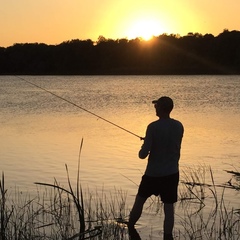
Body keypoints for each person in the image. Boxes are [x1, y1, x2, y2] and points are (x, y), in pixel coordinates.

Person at [128, 96, 184, 240]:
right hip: (171, 173)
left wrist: (146, 143)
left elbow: (142, 155)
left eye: (156, 106)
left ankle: (130, 228)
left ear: (161, 108)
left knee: (139, 201)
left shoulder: (153, 127)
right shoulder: (179, 126)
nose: (155, 108)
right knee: (169, 208)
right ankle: (168, 236)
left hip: (153, 174)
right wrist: (150, 140)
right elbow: (169, 144)